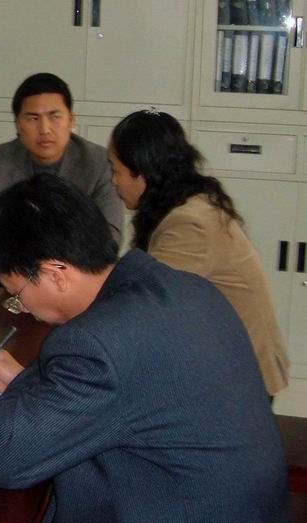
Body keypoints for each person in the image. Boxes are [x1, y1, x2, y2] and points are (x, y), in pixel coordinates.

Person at [0, 174, 295, 523]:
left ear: (55, 273)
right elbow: (122, 389)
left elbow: (1, 457)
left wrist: (26, 388)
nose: (22, 309)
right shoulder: (183, 289)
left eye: (17, 296)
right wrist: (28, 382)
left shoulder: (97, 343)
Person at [108, 109, 290, 397]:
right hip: (224, 363)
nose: (113, 181)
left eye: (115, 169)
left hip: (241, 378)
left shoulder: (189, 223)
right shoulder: (183, 204)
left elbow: (145, 303)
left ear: (140, 171)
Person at [0, 72, 122, 245]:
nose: (45, 129)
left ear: (71, 120)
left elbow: (112, 236)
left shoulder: (98, 163)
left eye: (55, 117)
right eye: (33, 118)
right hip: (14, 259)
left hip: (73, 262)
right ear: (18, 125)